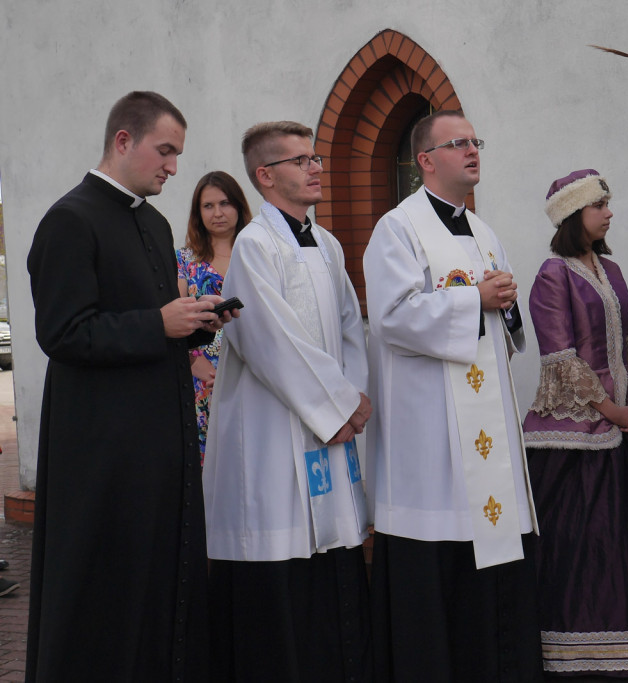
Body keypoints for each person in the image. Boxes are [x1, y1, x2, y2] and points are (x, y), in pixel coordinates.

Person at [26, 91, 233, 682]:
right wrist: (158, 323)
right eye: (165, 151)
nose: (173, 167)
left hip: (160, 443)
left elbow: (152, 323)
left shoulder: (154, 220)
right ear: (124, 140)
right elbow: (64, 333)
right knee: (107, 589)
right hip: (103, 451)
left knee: (163, 581)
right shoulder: (70, 219)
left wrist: (195, 323)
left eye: (178, 154)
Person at [364, 110, 542, 682]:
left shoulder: (482, 230)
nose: (472, 151)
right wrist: (474, 303)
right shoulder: (398, 227)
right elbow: (390, 317)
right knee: (442, 558)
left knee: (494, 563)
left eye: (475, 141)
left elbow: (505, 319)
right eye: (458, 143)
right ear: (425, 160)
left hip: (487, 422)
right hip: (433, 435)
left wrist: (506, 303)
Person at [203, 121, 373, 682]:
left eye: (316, 158)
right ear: (266, 176)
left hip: (330, 427)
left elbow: (351, 326)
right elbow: (269, 339)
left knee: (336, 564)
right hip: (274, 431)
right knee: (285, 563)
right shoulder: (255, 245)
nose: (316, 168)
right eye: (302, 161)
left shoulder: (326, 243)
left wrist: (353, 394)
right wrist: (337, 406)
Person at [523, 169, 628, 676]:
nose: (609, 213)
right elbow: (560, 358)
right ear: (574, 216)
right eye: (600, 206)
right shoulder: (552, 274)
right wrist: (609, 408)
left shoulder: (609, 271)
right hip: (576, 438)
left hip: (623, 431)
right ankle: (575, 651)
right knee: (584, 545)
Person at [177, 171, 252, 465]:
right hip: (204, 379)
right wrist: (196, 362)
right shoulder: (184, 260)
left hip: (254, 370)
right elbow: (176, 318)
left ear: (238, 206)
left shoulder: (257, 254)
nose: (217, 213)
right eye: (208, 206)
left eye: (224, 203)